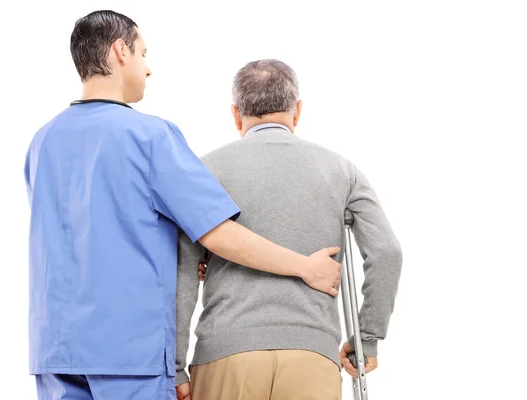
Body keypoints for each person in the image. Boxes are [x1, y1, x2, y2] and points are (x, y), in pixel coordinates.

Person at [24, 11, 342, 400]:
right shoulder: (150, 137)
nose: (149, 68)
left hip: (56, 348)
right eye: (143, 53)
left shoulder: (43, 141)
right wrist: (305, 267)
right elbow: (218, 233)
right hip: (129, 351)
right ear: (121, 51)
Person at [175, 59, 403, 400]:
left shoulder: (203, 170)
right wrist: (366, 338)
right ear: (297, 111)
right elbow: (386, 253)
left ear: (236, 114)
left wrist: (176, 365)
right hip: (312, 354)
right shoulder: (341, 170)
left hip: (227, 352)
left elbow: (182, 273)